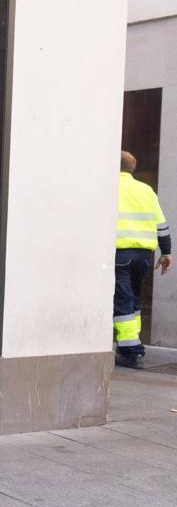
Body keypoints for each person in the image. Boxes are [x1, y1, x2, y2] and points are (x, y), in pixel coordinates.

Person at [114, 150, 173, 368]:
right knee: (133, 300)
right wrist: (166, 253)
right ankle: (131, 346)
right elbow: (162, 225)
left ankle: (131, 352)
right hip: (144, 255)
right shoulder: (146, 190)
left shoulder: (110, 187)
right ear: (133, 168)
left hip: (120, 253)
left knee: (123, 300)